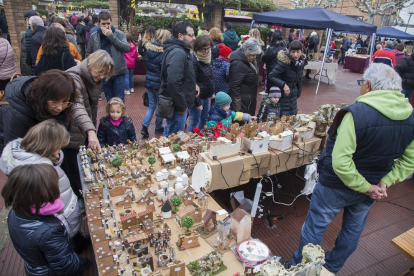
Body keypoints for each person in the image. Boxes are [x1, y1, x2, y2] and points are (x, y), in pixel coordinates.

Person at [290, 63, 414, 274]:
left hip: (337, 185)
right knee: (352, 231)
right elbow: (409, 161)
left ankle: (300, 268)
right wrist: (384, 182)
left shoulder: (356, 113)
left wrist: (366, 186)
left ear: (368, 85)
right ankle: (332, 268)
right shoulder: (410, 116)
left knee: (315, 227)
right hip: (373, 186)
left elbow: (340, 162)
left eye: (362, 83)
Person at [1, 120, 83, 240]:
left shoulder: (33, 159)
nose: (59, 152)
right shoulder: (40, 173)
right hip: (60, 222)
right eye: (58, 148)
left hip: (62, 218)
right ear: (48, 147)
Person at [2, 163, 90, 276]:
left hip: (35, 267)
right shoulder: (49, 231)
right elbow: (66, 265)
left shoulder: (15, 213)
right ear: (44, 193)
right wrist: (80, 263)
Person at [0, 70, 100, 154]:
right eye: (54, 102)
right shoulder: (16, 113)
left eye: (65, 101)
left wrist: (90, 131)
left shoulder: (61, 103)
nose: (60, 108)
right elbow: (14, 154)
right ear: (42, 98)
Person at [65, 50, 114, 197]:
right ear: (92, 64)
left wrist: (90, 130)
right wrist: (91, 131)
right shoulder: (74, 77)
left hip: (81, 129)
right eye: (100, 72)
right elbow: (77, 106)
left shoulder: (94, 78)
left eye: (105, 74)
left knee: (80, 164)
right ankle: (78, 198)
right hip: (69, 132)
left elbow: (91, 106)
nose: (102, 77)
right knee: (73, 167)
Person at [158, 21, 196, 136]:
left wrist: (193, 84)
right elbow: (173, 81)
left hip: (177, 103)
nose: (194, 38)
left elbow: (180, 75)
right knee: (173, 138)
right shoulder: (178, 52)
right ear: (181, 36)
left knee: (170, 134)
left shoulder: (179, 50)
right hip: (176, 105)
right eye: (191, 35)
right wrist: (182, 106)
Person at [87, 12, 129, 102]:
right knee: (109, 100)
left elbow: (126, 48)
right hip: (104, 73)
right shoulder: (94, 36)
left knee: (119, 101)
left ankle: (121, 116)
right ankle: (110, 116)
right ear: (99, 23)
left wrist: (111, 36)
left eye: (108, 23)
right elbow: (88, 53)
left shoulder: (119, 34)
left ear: (111, 22)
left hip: (118, 72)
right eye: (103, 23)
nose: (106, 26)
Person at [141, 29, 170, 137]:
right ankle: (158, 126)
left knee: (152, 105)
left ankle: (144, 126)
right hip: (159, 82)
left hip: (149, 80)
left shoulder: (149, 49)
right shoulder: (164, 53)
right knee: (159, 105)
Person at [268, 40, 307, 116]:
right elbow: (271, 76)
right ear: (289, 51)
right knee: (283, 117)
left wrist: (298, 92)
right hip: (284, 95)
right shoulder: (284, 62)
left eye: (298, 52)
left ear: (301, 51)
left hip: (293, 95)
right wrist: (284, 85)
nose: (295, 55)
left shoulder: (301, 63)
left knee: (292, 117)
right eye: (293, 52)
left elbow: (299, 79)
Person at [228, 38, 262, 115]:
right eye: (253, 55)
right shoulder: (238, 64)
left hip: (248, 100)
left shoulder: (249, 61)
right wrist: (237, 109)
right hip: (243, 102)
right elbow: (234, 86)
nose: (255, 57)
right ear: (246, 52)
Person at [188, 35, 215, 132]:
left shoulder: (208, 56)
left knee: (204, 119)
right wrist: (197, 102)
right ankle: (191, 140)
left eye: (208, 48)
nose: (207, 51)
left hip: (206, 95)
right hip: (197, 96)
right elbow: (192, 83)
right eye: (204, 49)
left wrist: (212, 91)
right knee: (195, 120)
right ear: (198, 48)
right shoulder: (194, 60)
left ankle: (200, 139)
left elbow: (210, 75)